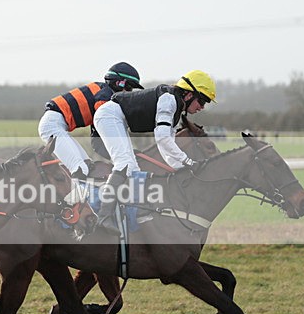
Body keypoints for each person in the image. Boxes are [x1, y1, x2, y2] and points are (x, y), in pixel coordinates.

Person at [91, 69, 217, 230]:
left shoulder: (176, 111)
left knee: (133, 167)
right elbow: (162, 139)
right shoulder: (169, 99)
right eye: (202, 101)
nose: (202, 107)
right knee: (123, 164)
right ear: (188, 94)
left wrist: (180, 168)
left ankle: (135, 211)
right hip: (108, 116)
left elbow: (167, 146)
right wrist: (188, 162)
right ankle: (103, 217)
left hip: (117, 119)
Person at [38, 62, 143, 180]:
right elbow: (106, 136)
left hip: (56, 123)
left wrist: (128, 153)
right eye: (129, 88)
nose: (129, 93)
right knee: (79, 168)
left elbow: (97, 143)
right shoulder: (105, 97)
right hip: (52, 126)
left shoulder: (103, 95)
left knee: (87, 166)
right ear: (119, 83)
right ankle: (80, 198)